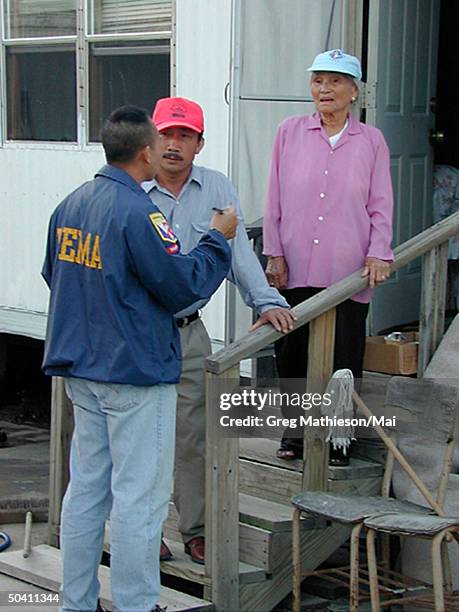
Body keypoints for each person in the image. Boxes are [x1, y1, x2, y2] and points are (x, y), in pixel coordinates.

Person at [41, 105, 238, 612]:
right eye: (160, 141)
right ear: (146, 152)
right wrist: (219, 240)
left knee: (86, 490)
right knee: (140, 501)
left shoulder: (71, 203)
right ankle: (135, 604)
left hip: (81, 369)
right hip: (135, 373)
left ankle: (77, 603)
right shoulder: (139, 213)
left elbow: (55, 274)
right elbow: (182, 286)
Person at [143, 97, 296, 564]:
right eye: (166, 134)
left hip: (189, 333)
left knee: (195, 434)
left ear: (199, 143)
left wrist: (267, 301)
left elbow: (237, 255)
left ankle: (197, 529)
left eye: (184, 136)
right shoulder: (132, 187)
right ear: (151, 139)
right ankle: (144, 536)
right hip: (138, 333)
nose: (173, 144)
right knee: (140, 437)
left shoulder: (216, 187)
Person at [263, 49, 393, 463]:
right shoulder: (289, 132)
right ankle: (297, 434)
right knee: (292, 353)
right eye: (318, 80)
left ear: (354, 91)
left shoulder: (371, 141)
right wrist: (274, 253)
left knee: (343, 359)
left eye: (336, 81)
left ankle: (339, 440)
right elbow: (274, 197)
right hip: (295, 264)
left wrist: (379, 251)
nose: (325, 89)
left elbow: (380, 203)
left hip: (349, 269)